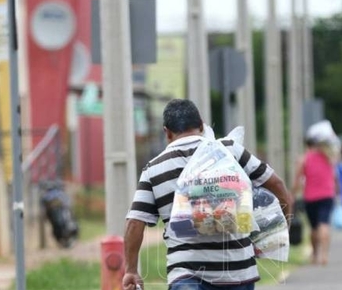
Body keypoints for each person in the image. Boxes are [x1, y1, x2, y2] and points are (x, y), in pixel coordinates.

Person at [123, 99, 293, 290]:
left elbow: (135, 222)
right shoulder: (229, 150)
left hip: (187, 276)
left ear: (167, 132)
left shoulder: (154, 169)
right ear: (202, 125)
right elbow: (277, 186)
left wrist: (131, 270)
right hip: (240, 273)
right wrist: (279, 231)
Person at [292, 136, 341, 266]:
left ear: (307, 146)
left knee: (313, 227)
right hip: (327, 195)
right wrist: (337, 191)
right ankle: (324, 255)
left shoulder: (304, 159)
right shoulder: (328, 157)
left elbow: (297, 179)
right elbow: (335, 177)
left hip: (310, 197)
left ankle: (315, 254)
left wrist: (292, 194)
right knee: (324, 224)